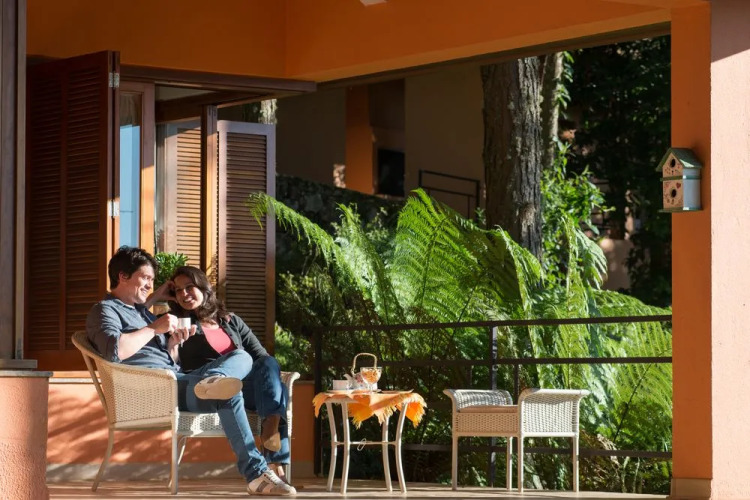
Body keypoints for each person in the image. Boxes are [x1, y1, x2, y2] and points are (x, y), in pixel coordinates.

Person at [86, 247, 295, 496]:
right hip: (158, 388)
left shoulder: (141, 313)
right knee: (226, 390)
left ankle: (216, 381)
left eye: (153, 280)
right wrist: (154, 328)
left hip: (179, 380)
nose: (150, 285)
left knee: (241, 357)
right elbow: (115, 350)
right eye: (146, 278)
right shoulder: (104, 310)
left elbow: (167, 356)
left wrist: (172, 345)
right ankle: (257, 475)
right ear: (122, 276)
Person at [165, 265, 292, 484]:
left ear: (204, 288)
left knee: (268, 364)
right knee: (251, 365)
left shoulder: (231, 321)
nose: (183, 294)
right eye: (177, 290)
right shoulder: (176, 322)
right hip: (200, 386)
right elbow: (169, 363)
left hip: (238, 386)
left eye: (189, 287)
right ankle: (275, 463)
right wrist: (173, 343)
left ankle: (270, 423)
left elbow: (262, 357)